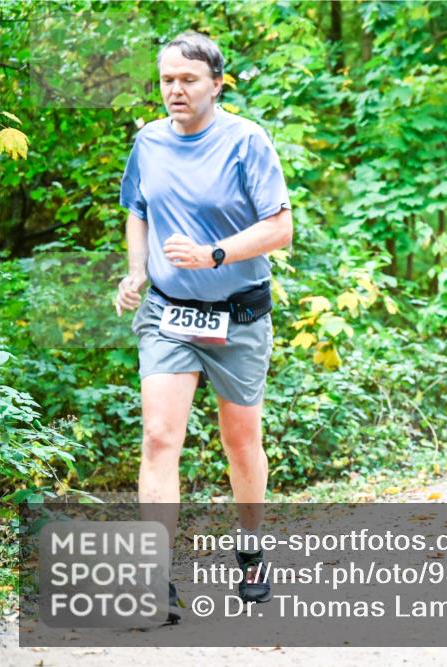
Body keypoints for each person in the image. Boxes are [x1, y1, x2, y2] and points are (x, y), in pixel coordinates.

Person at [115, 31, 292, 622]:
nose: (175, 90)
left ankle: (250, 547)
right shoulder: (148, 141)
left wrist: (215, 253)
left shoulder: (246, 141)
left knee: (239, 441)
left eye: (188, 80)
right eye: (167, 79)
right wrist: (137, 271)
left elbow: (280, 228)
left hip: (238, 312)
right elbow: (138, 210)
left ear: (216, 83)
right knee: (160, 437)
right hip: (168, 313)